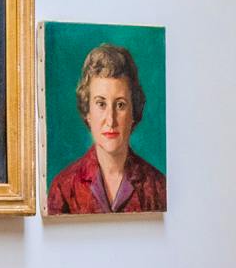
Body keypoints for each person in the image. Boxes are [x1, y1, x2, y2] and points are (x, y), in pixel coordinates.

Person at [46, 43, 167, 214]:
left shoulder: (158, 187)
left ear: (134, 112)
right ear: (88, 112)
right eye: (101, 104)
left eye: (120, 105)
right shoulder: (63, 188)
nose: (111, 120)